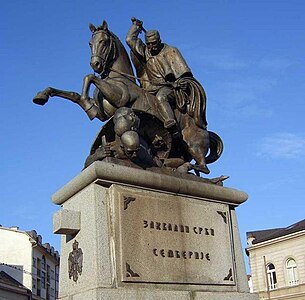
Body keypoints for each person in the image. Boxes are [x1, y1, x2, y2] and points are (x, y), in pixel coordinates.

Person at [126, 18, 193, 130]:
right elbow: (129, 39)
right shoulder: (145, 52)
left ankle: (171, 123)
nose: (151, 47)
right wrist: (136, 26)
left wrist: (179, 83)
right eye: (148, 44)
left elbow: (185, 75)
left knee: (161, 97)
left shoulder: (171, 51)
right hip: (151, 87)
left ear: (159, 41)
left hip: (169, 88)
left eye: (154, 43)